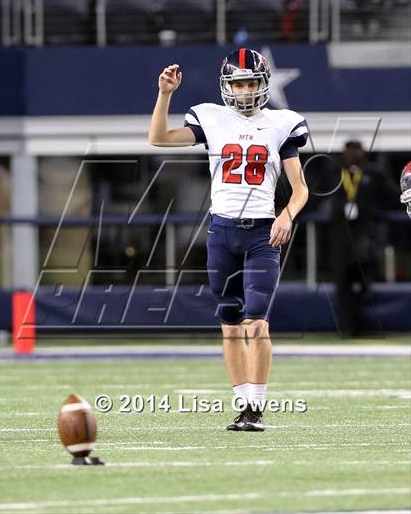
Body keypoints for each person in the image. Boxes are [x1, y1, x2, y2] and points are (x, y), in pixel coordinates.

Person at [148, 48, 309, 431]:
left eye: (252, 82)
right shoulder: (211, 117)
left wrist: (287, 214)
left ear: (263, 83)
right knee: (230, 323)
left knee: (257, 322)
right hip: (221, 231)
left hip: (261, 232)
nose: (245, 90)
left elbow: (301, 189)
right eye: (239, 83)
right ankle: (242, 405)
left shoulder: (282, 123)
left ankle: (256, 407)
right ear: (227, 86)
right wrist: (165, 94)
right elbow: (158, 138)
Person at [326, 141, 398, 337]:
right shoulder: (334, 173)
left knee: (365, 281)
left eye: (356, 151)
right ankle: (347, 328)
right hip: (341, 236)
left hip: (365, 235)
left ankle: (367, 324)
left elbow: (392, 195)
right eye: (349, 151)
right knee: (342, 284)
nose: (353, 155)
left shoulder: (374, 173)